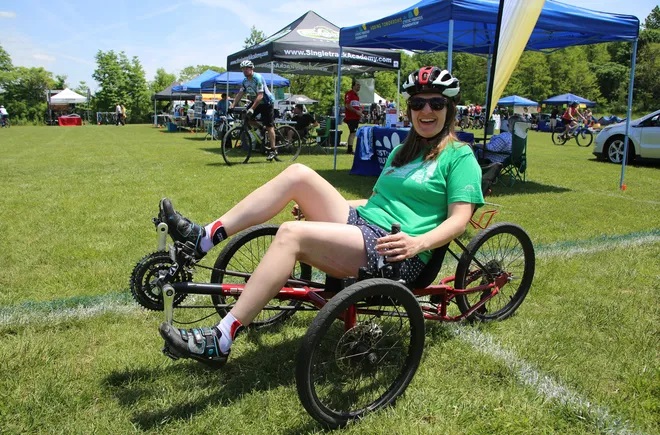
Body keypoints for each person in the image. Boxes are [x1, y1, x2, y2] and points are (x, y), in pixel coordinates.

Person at [157, 66, 485, 367]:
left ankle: (221, 338)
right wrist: (323, 203)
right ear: (410, 109)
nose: (426, 111)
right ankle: (202, 238)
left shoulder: (459, 157)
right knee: (298, 175)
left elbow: (458, 220)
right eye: (418, 104)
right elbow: (375, 200)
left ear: (449, 109)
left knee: (291, 234)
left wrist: (417, 243)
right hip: (366, 225)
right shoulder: (402, 152)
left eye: (436, 104)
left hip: (397, 250)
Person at [230, 60, 278, 161]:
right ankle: (261, 128)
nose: (245, 70)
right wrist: (232, 105)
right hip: (256, 102)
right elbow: (240, 93)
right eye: (243, 69)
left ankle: (273, 149)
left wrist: (252, 109)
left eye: (247, 68)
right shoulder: (245, 81)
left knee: (269, 126)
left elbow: (260, 95)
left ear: (252, 68)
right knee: (246, 118)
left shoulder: (258, 78)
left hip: (266, 102)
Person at [344, 79, 362, 154]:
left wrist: (360, 111)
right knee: (353, 132)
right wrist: (356, 111)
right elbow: (347, 105)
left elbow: (356, 106)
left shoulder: (357, 96)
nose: (359, 87)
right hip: (351, 117)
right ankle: (350, 149)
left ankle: (350, 148)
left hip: (356, 117)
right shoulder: (349, 94)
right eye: (357, 85)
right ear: (353, 86)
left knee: (353, 133)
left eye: (359, 85)